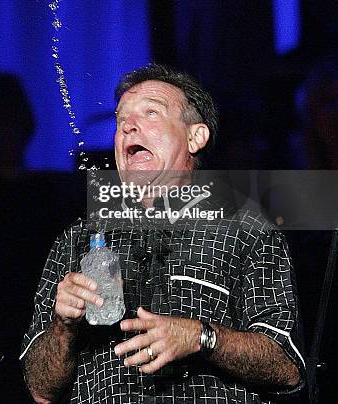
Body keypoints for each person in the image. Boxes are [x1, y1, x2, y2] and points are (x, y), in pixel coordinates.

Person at [20, 64, 304, 403]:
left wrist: (201, 337)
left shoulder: (247, 229)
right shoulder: (76, 240)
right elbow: (40, 389)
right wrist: (64, 326)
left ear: (195, 136)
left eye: (150, 112)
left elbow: (287, 367)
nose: (128, 127)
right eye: (121, 120)